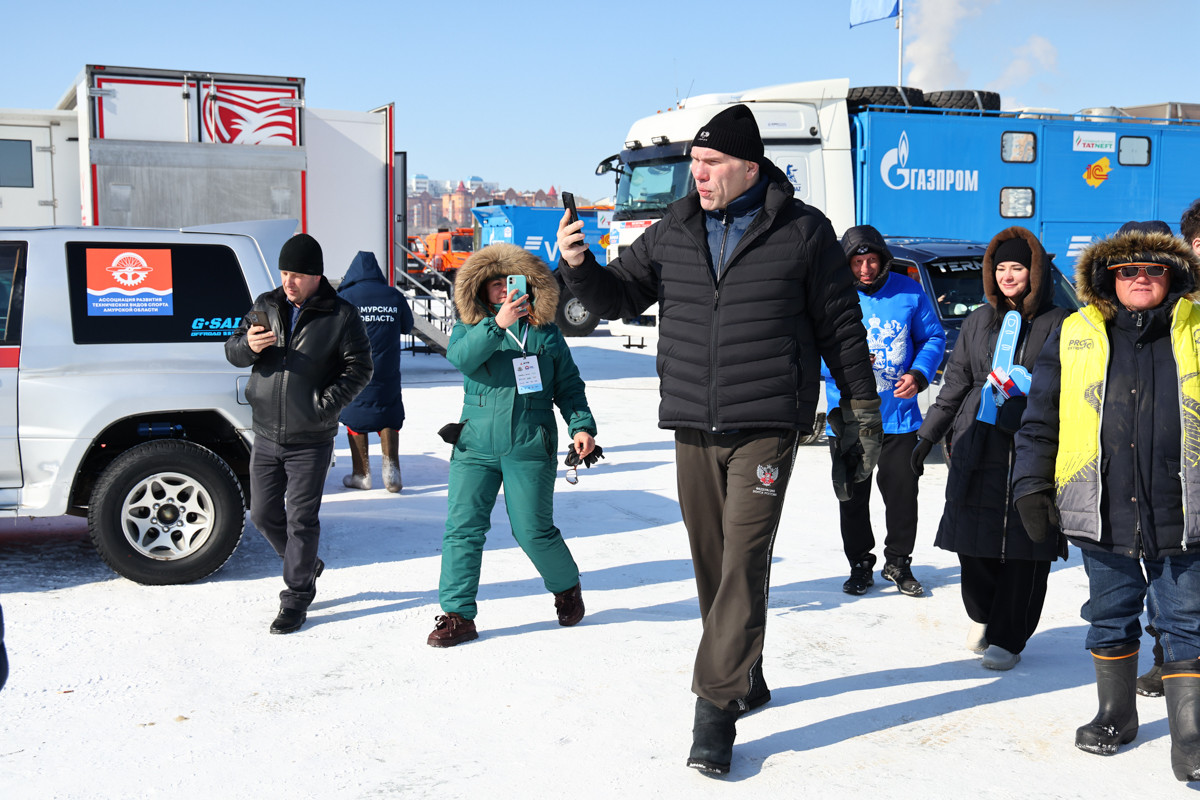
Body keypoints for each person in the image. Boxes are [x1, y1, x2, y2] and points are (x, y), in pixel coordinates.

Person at [556, 104, 880, 775]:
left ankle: (715, 707)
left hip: (767, 424)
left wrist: (862, 407)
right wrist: (580, 267)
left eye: (709, 164)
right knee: (712, 560)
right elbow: (619, 295)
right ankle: (746, 673)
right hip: (692, 423)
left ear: (749, 167)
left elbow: (840, 326)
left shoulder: (804, 231)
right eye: (694, 165)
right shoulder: (676, 227)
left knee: (744, 559)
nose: (697, 176)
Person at [1013, 224, 1200, 781]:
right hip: (1101, 503)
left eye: (1152, 270)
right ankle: (1115, 713)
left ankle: (1190, 733)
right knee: (1110, 614)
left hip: (1185, 505)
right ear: (1107, 278)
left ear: (1172, 276)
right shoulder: (1074, 333)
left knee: (1186, 619)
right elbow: (1041, 416)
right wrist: (1030, 484)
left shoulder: (1196, 329)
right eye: (1128, 271)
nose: (1140, 280)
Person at [911, 226, 1070, 671]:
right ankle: (984, 613)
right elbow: (958, 380)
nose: (1007, 276)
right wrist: (928, 434)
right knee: (974, 541)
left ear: (1035, 272)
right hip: (976, 440)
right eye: (1000, 268)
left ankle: (1009, 634)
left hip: (1034, 441)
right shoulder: (979, 320)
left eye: (1017, 267)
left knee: (1026, 539)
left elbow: (1069, 386)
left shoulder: (1059, 323)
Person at [428, 243, 597, 648]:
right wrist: (497, 325)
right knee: (462, 530)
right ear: (480, 291)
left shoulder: (546, 333)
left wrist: (581, 425)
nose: (504, 291)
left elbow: (569, 387)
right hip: (475, 447)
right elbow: (462, 359)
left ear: (529, 286)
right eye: (495, 285)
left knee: (532, 530)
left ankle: (566, 587)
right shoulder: (471, 329)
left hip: (529, 443)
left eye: (511, 283)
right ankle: (457, 615)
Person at [225, 233, 373, 634]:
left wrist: (323, 406)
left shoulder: (341, 314)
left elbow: (360, 368)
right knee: (262, 514)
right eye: (285, 272)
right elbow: (233, 350)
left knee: (301, 520)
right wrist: (247, 346)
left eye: (298, 275)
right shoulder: (265, 305)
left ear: (317, 276)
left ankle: (296, 597)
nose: (289, 282)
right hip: (267, 433)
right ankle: (305, 562)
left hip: (311, 437)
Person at [825, 225, 945, 597]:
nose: (864, 269)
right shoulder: (831, 294)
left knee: (902, 495)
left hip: (900, 418)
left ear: (883, 260)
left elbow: (933, 338)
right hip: (850, 419)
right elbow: (812, 350)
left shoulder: (909, 291)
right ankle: (860, 564)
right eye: (857, 262)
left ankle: (898, 562)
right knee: (853, 497)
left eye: (871, 260)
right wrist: (847, 364)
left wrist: (919, 374)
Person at [336, 251, 415, 493]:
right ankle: (392, 474)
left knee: (355, 416)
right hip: (387, 370)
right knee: (388, 414)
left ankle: (362, 474)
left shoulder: (344, 297)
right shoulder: (393, 296)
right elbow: (408, 326)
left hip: (354, 371)